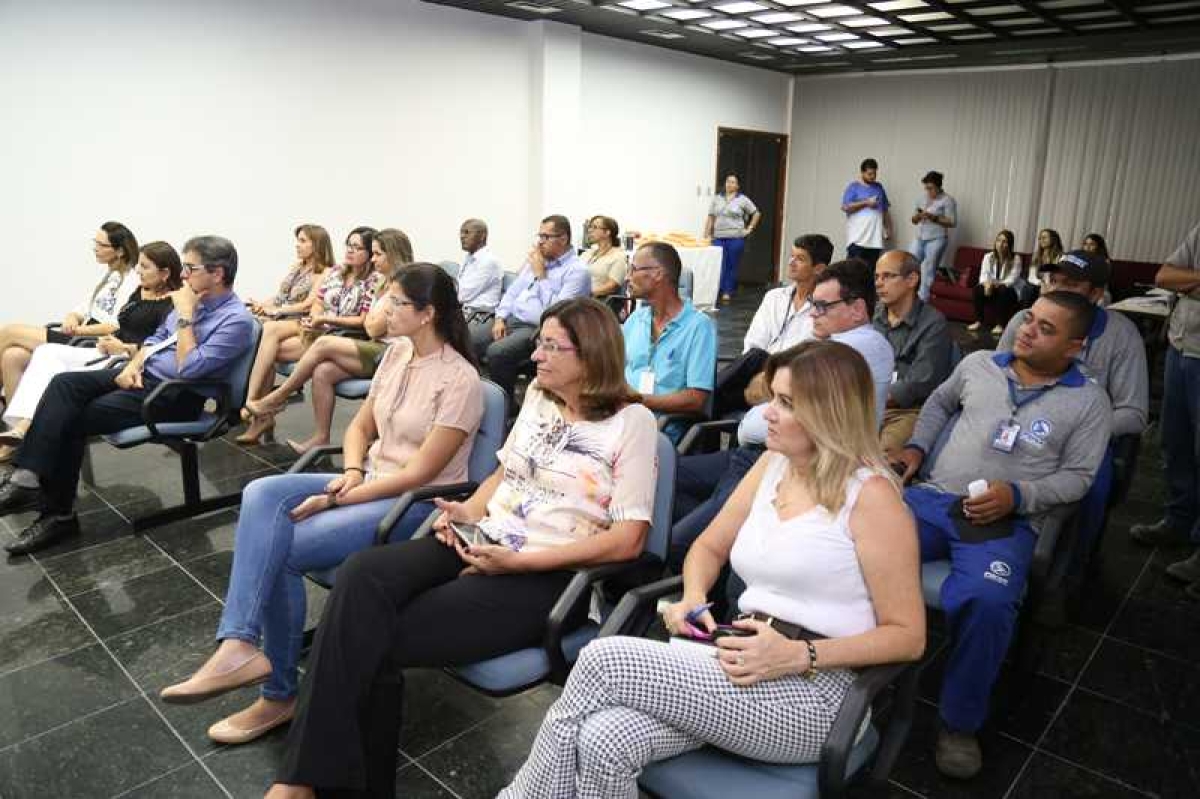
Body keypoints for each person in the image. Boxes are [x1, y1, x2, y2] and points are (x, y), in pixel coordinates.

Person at [265, 298, 659, 798]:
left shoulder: (632, 424)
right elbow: (504, 472)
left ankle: (308, 781)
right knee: (361, 574)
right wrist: (469, 512)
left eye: (551, 346)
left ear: (592, 355)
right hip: (486, 540)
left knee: (375, 638)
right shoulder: (541, 396)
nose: (535, 356)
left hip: (549, 575)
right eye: (537, 342)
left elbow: (629, 540)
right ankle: (311, 780)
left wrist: (517, 562)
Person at [500, 340, 925, 798]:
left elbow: (909, 636)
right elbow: (708, 546)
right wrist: (694, 597)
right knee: (605, 738)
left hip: (816, 693)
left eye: (785, 403)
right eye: (771, 398)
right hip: (738, 656)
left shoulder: (873, 498)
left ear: (829, 413)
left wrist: (802, 656)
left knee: (603, 659)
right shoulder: (773, 464)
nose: (766, 414)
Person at [160, 264, 483, 746]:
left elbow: (420, 475)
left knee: (286, 548)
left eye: (396, 303)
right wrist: (350, 475)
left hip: (414, 504)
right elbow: (358, 429)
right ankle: (239, 642)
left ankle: (279, 693)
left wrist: (344, 495)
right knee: (261, 493)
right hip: (371, 481)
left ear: (427, 314)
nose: (384, 310)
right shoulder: (397, 354)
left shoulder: (460, 380)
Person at [890, 291, 1112, 779]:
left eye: (1046, 328)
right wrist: (915, 448)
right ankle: (843, 677)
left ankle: (958, 723)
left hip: (1000, 523)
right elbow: (938, 401)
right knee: (853, 552)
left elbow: (1079, 477)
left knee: (988, 601)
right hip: (930, 500)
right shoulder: (978, 364)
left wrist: (1018, 495)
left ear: (1074, 347)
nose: (1027, 329)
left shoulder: (1089, 401)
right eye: (1030, 318)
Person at [0, 236, 255, 555]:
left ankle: (55, 513)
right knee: (64, 384)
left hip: (175, 396)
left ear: (217, 273)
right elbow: (154, 339)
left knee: (71, 417)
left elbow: (189, 369)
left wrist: (187, 315)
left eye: (190, 268)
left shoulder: (235, 320)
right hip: (143, 376)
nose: (184, 275)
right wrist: (132, 364)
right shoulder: (192, 299)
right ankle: (29, 475)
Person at [672, 259, 894, 568]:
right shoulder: (831, 347)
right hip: (766, 458)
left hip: (791, 465)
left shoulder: (847, 353)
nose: (813, 312)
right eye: (813, 304)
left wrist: (755, 414)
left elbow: (762, 421)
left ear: (857, 309)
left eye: (822, 306)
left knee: (683, 538)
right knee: (665, 475)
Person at [998, 250, 1148, 581]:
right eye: (1054, 279)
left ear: (1097, 294)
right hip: (1017, 419)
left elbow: (1135, 413)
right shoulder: (1024, 320)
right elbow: (992, 378)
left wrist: (1081, 425)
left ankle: (1067, 577)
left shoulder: (1121, 336)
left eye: (1073, 284)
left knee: (1090, 487)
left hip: (1084, 437)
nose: (1058, 288)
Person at [0, 242, 183, 461]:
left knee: (36, 355)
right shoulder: (140, 291)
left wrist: (125, 347)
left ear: (165, 273)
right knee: (46, 352)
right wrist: (109, 338)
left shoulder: (175, 304)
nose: (138, 271)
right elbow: (120, 324)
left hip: (125, 358)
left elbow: (161, 346)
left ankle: (25, 428)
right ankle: (22, 425)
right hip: (107, 348)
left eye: (145, 267)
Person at [242, 228, 414, 452]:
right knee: (323, 371)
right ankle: (320, 437)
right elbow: (369, 320)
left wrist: (361, 321)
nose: (373, 258)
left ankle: (276, 398)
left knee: (319, 343)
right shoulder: (382, 282)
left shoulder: (399, 285)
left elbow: (370, 326)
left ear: (393, 254)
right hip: (369, 343)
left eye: (377, 254)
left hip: (390, 353)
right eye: (371, 253)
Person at [1129, 221, 1200, 598]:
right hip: (1180, 347)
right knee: (1177, 445)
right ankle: (1178, 521)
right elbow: (1165, 275)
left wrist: (1188, 281)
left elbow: (1179, 279)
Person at [0, 221, 140, 407]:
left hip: (91, 343)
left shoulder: (131, 282)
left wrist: (77, 331)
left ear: (120, 251)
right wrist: (71, 318)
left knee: (10, 332)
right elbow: (80, 310)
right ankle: (15, 427)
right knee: (13, 356)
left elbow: (115, 326)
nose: (95, 249)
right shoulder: (108, 276)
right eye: (95, 243)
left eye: (102, 245)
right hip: (78, 335)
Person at [471, 215, 591, 401]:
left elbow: (558, 313)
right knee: (467, 340)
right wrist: (500, 318)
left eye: (546, 237)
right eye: (539, 236)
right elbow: (512, 292)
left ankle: (505, 407)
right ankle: (475, 399)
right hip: (511, 320)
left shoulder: (577, 271)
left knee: (497, 352)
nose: (540, 242)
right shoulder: (538, 261)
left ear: (563, 238)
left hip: (538, 328)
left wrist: (541, 276)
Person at [718, 233, 833, 415]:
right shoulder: (774, 297)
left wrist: (770, 369)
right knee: (753, 356)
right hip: (756, 372)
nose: (791, 262)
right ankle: (705, 405)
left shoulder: (823, 308)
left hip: (789, 377)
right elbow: (753, 341)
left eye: (800, 259)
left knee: (717, 399)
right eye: (792, 256)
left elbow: (806, 355)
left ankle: (701, 401)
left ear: (818, 268)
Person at [623, 242, 717, 440]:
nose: (627, 277)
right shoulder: (635, 319)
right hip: (621, 420)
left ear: (657, 274)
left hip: (659, 432)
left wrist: (638, 401)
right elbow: (613, 369)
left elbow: (696, 399)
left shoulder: (698, 327)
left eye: (634, 270)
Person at [873, 250, 953, 455]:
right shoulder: (872, 316)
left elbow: (919, 383)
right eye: (877, 277)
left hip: (905, 411)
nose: (879, 283)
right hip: (865, 402)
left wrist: (869, 398)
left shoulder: (934, 324)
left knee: (882, 457)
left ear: (912, 279)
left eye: (888, 276)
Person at [245, 224, 335, 321]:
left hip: (297, 320)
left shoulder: (325, 272)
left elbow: (307, 306)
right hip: (280, 315)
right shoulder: (297, 267)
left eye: (302, 241)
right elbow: (280, 297)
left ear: (317, 245)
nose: (297, 245)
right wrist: (261, 305)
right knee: (246, 319)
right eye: (298, 240)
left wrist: (275, 311)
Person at [704, 174, 761, 304]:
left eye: (733, 182)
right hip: (718, 237)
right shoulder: (717, 199)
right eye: (728, 181)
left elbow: (756, 213)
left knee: (731, 265)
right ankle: (718, 289)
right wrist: (706, 235)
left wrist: (750, 228)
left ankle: (727, 291)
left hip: (735, 238)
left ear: (737, 186)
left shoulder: (743, 199)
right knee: (718, 265)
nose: (730, 184)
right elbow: (711, 217)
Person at [909, 170, 958, 301]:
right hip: (919, 238)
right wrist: (919, 216)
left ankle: (923, 301)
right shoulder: (921, 198)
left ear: (938, 186)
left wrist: (933, 217)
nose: (928, 191)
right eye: (926, 188)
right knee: (909, 264)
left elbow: (952, 222)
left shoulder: (948, 200)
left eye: (931, 188)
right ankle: (908, 296)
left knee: (927, 270)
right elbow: (913, 220)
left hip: (936, 239)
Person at [969, 229, 1023, 336]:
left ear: (1009, 244)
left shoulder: (1016, 258)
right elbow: (984, 275)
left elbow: (1012, 279)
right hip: (991, 288)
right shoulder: (988, 256)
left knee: (1003, 290)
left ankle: (1000, 324)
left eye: (1005, 241)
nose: (1001, 244)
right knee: (977, 289)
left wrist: (993, 284)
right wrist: (986, 284)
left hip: (1009, 291)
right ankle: (979, 321)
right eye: (998, 240)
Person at [840, 158, 891, 268]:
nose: (873, 177)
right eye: (869, 174)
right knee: (853, 271)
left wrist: (888, 228)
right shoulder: (853, 187)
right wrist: (866, 203)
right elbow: (845, 207)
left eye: (874, 174)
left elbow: (885, 210)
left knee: (870, 273)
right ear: (862, 172)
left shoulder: (879, 187)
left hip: (875, 240)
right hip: (858, 239)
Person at [456, 218, 503, 313]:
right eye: (461, 233)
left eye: (467, 232)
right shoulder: (469, 258)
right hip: (465, 312)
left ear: (482, 236)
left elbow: (462, 295)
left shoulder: (489, 262)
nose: (462, 236)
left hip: (481, 316)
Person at [583, 215, 628, 298]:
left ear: (607, 232)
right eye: (590, 227)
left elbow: (612, 286)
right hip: (579, 298)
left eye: (595, 227)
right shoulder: (587, 253)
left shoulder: (618, 256)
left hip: (598, 301)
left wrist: (587, 294)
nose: (589, 230)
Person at [1021, 228, 1065, 308]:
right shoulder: (1036, 255)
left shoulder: (1061, 257)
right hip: (1036, 286)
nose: (1041, 240)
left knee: (1033, 289)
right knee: (1029, 288)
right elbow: (1031, 277)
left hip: (1051, 286)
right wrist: (1041, 283)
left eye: (1044, 237)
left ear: (1053, 239)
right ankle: (1026, 313)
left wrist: (1045, 284)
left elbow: (1057, 277)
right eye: (1040, 238)